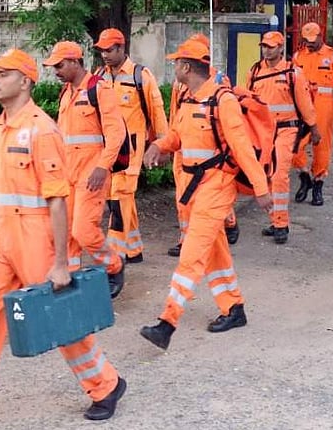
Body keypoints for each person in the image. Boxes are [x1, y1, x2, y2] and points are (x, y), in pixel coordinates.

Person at [0, 49, 126, 430]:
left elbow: (57, 198)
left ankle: (106, 384)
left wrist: (62, 262)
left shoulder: (42, 130)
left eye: (4, 73)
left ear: (26, 81)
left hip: (35, 237)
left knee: (58, 319)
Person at [139, 37, 273, 349]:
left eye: (176, 63)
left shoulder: (222, 101)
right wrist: (159, 146)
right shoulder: (187, 97)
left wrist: (262, 189)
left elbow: (241, 147)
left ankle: (167, 322)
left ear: (186, 67)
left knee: (192, 253)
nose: (174, 67)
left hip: (216, 187)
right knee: (215, 250)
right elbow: (177, 135)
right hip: (191, 186)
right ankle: (234, 307)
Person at [44, 40, 127, 298]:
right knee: (65, 232)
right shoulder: (66, 93)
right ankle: (68, 281)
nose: (55, 71)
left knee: (83, 230)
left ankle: (114, 266)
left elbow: (116, 133)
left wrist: (103, 167)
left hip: (91, 174)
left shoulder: (98, 89)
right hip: (68, 174)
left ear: (75, 62)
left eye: (59, 65)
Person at [93, 28, 169, 263]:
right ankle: (134, 248)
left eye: (109, 50)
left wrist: (162, 145)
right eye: (101, 50)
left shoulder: (141, 76)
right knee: (119, 196)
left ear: (121, 48)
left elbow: (156, 112)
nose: (105, 55)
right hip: (108, 148)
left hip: (132, 148)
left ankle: (113, 256)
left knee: (119, 196)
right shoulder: (99, 76)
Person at [166, 34, 238, 257]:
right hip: (183, 144)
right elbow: (175, 112)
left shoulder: (218, 82)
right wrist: (169, 143)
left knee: (211, 194)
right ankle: (186, 238)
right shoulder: (182, 83)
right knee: (183, 195)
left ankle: (228, 221)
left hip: (210, 152)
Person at [247, 31, 319, 244]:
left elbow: (305, 104)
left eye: (271, 46)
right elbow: (251, 101)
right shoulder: (255, 71)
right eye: (264, 46)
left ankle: (281, 224)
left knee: (279, 175)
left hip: (287, 130)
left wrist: (314, 129)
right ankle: (275, 219)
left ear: (281, 48)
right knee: (265, 175)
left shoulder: (292, 73)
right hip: (263, 132)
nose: (266, 50)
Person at [292, 22, 333, 206]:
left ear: (320, 35)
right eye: (306, 40)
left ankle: (318, 184)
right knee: (295, 145)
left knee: (321, 146)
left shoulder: (332, 55)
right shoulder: (298, 56)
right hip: (302, 103)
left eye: (312, 40)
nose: (309, 43)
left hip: (324, 104)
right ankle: (304, 176)